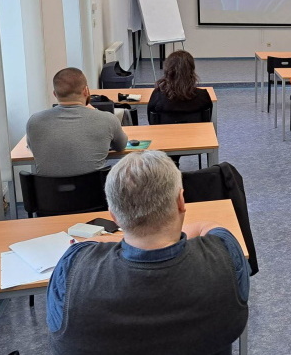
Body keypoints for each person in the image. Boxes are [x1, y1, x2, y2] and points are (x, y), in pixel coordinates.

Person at [47, 151, 249, 355]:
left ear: (114, 216)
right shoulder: (225, 255)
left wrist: (116, 240)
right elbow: (210, 227)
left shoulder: (73, 269)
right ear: (181, 201)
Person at [26, 67, 127, 177]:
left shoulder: (34, 122)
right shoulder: (108, 119)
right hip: (93, 187)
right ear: (86, 91)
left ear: (55, 94)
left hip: (47, 188)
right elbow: (121, 146)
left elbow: (34, 149)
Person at [149, 50, 212, 117]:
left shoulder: (157, 96)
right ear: (191, 71)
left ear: (168, 71)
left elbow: (152, 119)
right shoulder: (203, 96)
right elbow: (207, 118)